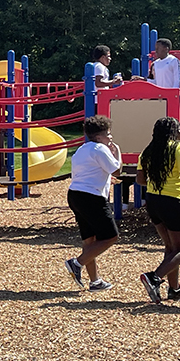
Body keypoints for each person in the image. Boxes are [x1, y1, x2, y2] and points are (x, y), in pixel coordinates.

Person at [136, 117, 180, 303]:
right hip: (174, 201)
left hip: (153, 201)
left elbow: (140, 180)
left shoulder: (147, 151)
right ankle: (154, 277)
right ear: (173, 131)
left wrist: (158, 180)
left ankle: (174, 289)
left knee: (171, 248)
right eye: (179, 128)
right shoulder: (178, 148)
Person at [64, 116, 122, 292]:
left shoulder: (82, 149)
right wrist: (117, 152)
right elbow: (118, 169)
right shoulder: (100, 149)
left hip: (76, 195)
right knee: (111, 236)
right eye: (108, 135)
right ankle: (76, 263)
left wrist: (106, 179)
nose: (110, 138)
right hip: (92, 197)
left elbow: (89, 172)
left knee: (90, 241)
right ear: (99, 137)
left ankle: (95, 281)